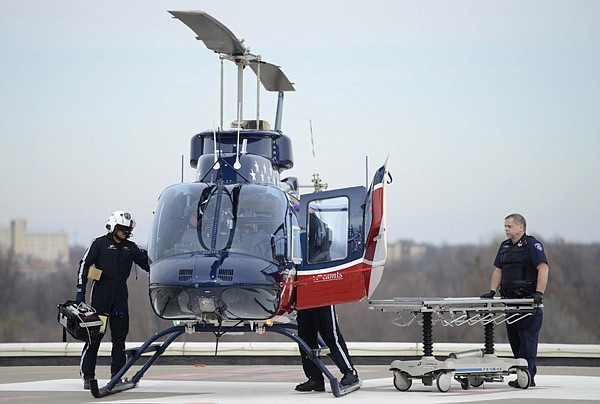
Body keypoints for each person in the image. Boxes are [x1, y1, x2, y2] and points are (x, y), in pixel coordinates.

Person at [75, 211, 150, 390]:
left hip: (120, 296)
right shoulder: (99, 244)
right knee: (95, 336)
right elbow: (84, 266)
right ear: (113, 227)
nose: (126, 232)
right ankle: (88, 375)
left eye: (128, 229)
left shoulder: (131, 248)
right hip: (102, 295)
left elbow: (149, 263)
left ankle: (117, 375)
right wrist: (80, 291)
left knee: (119, 337)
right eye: (123, 229)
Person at [481, 213, 549, 388]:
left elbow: (543, 268)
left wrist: (539, 292)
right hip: (509, 303)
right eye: (505, 226)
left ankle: (528, 377)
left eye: (509, 226)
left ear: (521, 227)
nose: (505, 229)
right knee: (516, 342)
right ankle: (521, 376)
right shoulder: (504, 247)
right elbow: (498, 270)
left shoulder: (532, 245)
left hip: (527, 304)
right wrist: (491, 291)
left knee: (527, 343)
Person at [295, 305, 360, 392]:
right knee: (305, 339)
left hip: (323, 299)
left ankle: (350, 372)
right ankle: (315, 378)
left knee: (331, 336)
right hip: (303, 301)